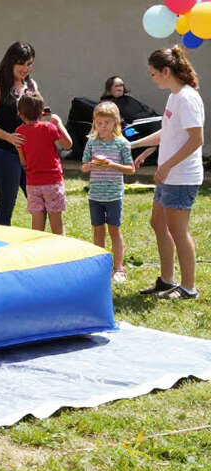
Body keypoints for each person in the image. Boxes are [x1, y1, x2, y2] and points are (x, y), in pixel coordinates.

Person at [130, 46, 203, 300]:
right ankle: (166, 280)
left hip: (182, 178)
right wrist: (135, 145)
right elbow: (168, 133)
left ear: (166, 70)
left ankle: (188, 288)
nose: (151, 77)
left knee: (177, 231)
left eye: (153, 73)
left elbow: (196, 140)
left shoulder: (187, 98)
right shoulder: (174, 96)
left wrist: (168, 165)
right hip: (169, 175)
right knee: (158, 223)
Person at [80, 101, 150, 283]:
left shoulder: (122, 144)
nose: (103, 127)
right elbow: (84, 167)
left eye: (107, 123)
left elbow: (130, 169)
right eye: (99, 123)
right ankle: (100, 265)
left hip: (113, 196)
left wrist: (112, 165)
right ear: (94, 123)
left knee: (114, 230)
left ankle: (119, 267)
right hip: (95, 195)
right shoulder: (91, 142)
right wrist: (90, 166)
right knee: (97, 230)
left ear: (115, 123)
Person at [0, 42, 38, 225]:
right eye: (21, 63)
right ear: (10, 62)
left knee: (38, 200)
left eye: (29, 64)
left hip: (30, 153)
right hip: (5, 153)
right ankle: (0, 245)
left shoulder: (31, 85)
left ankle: (40, 241)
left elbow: (37, 116)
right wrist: (9, 137)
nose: (25, 68)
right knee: (7, 202)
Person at [14, 92, 73, 234]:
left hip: (33, 183)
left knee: (37, 224)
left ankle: (38, 252)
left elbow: (23, 161)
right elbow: (68, 144)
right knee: (56, 223)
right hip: (52, 182)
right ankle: (61, 252)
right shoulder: (49, 128)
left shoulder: (19, 132)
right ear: (42, 112)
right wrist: (58, 123)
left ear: (20, 114)